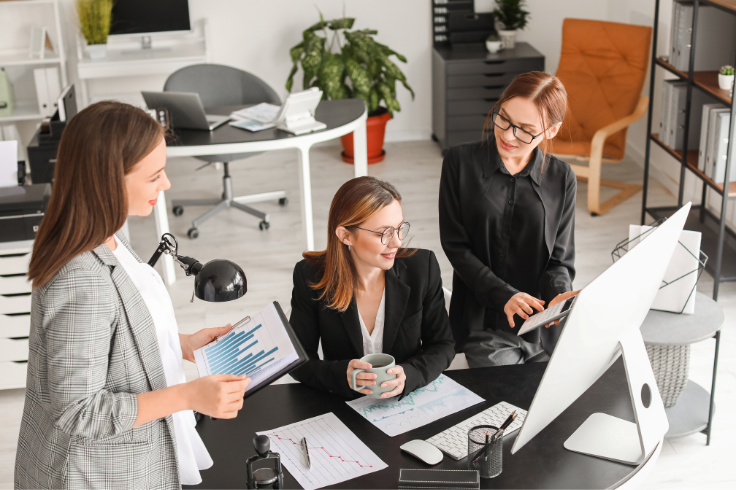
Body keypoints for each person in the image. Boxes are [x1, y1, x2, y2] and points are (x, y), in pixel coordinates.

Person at [16, 101, 250, 489]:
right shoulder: (80, 279)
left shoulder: (110, 233)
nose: (167, 185)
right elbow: (78, 411)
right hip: (95, 474)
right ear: (109, 180)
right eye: (155, 175)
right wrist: (187, 395)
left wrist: (181, 345)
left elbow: (113, 336)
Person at [439, 71, 578, 367]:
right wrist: (505, 295)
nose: (508, 135)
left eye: (525, 130)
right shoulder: (458, 163)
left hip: (544, 328)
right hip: (485, 326)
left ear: (551, 131)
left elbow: (560, 260)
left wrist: (559, 297)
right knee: (507, 402)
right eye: (503, 118)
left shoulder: (562, 177)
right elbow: (456, 247)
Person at [289, 177, 455, 399]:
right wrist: (342, 375)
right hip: (344, 407)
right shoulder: (310, 276)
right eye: (383, 233)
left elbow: (443, 345)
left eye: (399, 228)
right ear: (346, 236)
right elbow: (297, 360)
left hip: (407, 402)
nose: (396, 242)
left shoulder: (422, 267)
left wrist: (410, 375)